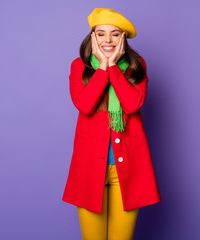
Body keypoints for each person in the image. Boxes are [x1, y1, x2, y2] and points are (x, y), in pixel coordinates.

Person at [62, 8, 162, 240]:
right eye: (101, 34)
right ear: (92, 37)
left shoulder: (137, 65)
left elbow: (132, 104)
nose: (108, 39)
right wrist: (103, 68)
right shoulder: (79, 66)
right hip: (89, 169)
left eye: (115, 34)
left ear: (123, 38)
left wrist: (114, 67)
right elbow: (85, 106)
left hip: (128, 169)